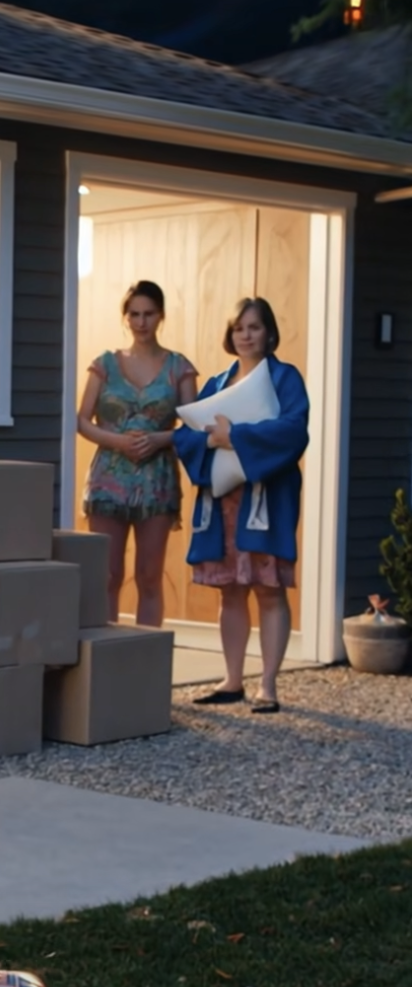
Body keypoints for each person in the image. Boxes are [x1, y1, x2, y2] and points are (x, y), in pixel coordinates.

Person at [174, 297, 309, 714]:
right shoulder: (217, 383)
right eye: (239, 328)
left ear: (269, 333)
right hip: (222, 504)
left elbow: (293, 430)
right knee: (230, 590)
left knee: (268, 589)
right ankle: (232, 680)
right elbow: (187, 433)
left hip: (264, 501)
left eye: (254, 327)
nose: (246, 336)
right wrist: (211, 439)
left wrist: (236, 437)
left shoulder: (285, 378)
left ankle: (267, 685)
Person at [76, 281, 197, 626]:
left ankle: (147, 650)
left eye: (149, 314)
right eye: (134, 314)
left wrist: (160, 439)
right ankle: (104, 646)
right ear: (125, 318)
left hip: (156, 482)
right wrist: (117, 441)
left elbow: (195, 425)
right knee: (107, 573)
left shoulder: (179, 367)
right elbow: (81, 420)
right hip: (108, 481)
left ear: (161, 316)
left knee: (149, 575)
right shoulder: (104, 364)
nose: (141, 322)